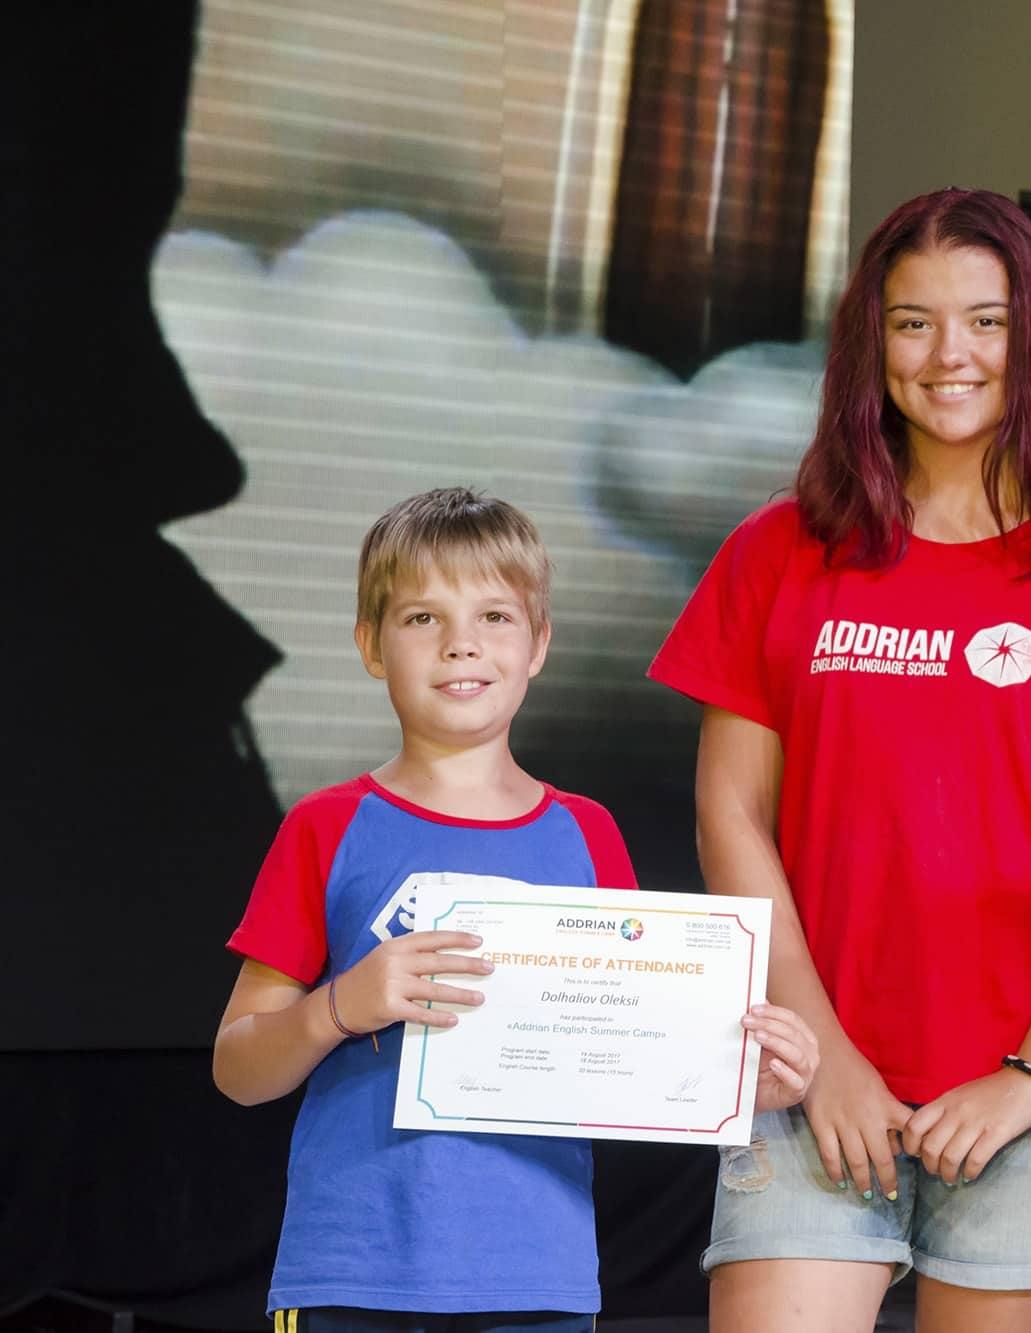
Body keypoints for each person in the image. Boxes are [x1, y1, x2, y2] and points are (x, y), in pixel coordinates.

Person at [649, 188, 1031, 1333]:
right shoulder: (779, 550)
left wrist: (1027, 1078)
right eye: (913, 322)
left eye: (986, 321)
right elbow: (730, 818)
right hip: (804, 1073)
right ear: (871, 340)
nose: (951, 355)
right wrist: (827, 1058)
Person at [213, 487, 820, 1331]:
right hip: (352, 1273)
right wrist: (341, 1004)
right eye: (422, 617)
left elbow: (634, 1051)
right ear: (370, 645)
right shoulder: (326, 826)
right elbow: (237, 1068)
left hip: (537, 1276)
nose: (461, 642)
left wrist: (744, 1081)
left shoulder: (587, 834)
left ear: (538, 644)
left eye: (495, 615)